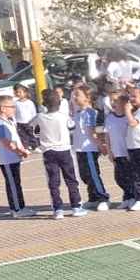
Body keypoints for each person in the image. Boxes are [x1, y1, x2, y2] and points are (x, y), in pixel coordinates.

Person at [30, 90, 85, 220]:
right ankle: (76, 206)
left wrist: (40, 132)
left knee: (53, 181)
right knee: (71, 179)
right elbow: (72, 127)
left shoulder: (40, 117)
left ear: (43, 103)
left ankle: (57, 209)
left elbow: (31, 125)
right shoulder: (64, 116)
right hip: (64, 150)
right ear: (60, 103)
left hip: (49, 151)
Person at [0, 95, 35, 218]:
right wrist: (18, 151)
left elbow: (15, 139)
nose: (14, 109)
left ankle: (20, 206)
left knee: (16, 183)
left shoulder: (8, 121)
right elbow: (5, 141)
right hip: (7, 159)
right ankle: (16, 209)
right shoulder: (0, 123)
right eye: (11, 107)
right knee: (12, 184)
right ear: (2, 108)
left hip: (13, 158)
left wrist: (21, 149)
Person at [71, 87, 110, 212]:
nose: (74, 97)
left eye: (77, 95)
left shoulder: (89, 112)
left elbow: (93, 132)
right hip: (79, 148)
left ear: (86, 97)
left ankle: (103, 197)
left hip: (89, 148)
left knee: (93, 174)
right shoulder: (77, 112)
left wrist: (100, 145)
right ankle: (92, 197)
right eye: (74, 95)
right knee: (84, 175)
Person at [102, 93, 135, 210]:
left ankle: (133, 197)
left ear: (124, 102)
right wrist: (109, 151)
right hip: (117, 153)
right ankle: (127, 197)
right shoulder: (109, 118)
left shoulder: (129, 117)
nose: (113, 103)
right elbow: (107, 135)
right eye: (111, 101)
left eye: (116, 101)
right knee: (119, 177)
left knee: (131, 177)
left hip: (127, 153)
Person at [13, 84, 39, 151]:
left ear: (25, 93)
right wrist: (14, 121)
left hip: (28, 122)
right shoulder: (16, 103)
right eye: (17, 92)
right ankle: (26, 147)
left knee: (31, 134)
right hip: (20, 122)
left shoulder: (30, 103)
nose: (18, 94)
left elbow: (33, 112)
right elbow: (14, 113)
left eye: (20, 92)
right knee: (22, 136)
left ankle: (35, 146)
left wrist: (34, 121)